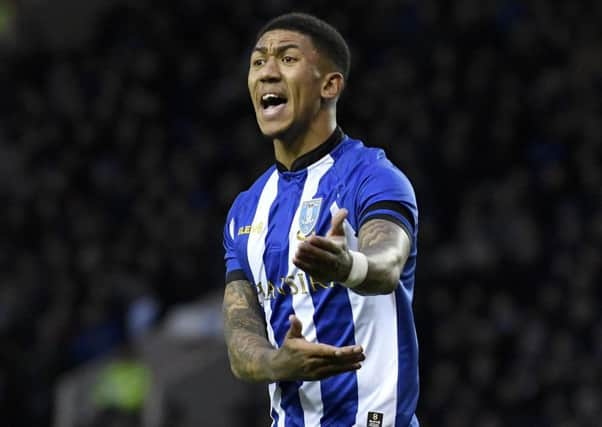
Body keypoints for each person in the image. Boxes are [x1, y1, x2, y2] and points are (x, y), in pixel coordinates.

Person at [222, 12, 419, 427]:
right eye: (258, 62)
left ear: (329, 85)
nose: (267, 73)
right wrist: (280, 362)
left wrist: (349, 265)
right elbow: (240, 341)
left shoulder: (372, 177)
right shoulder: (245, 210)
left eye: (287, 59)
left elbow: (388, 262)